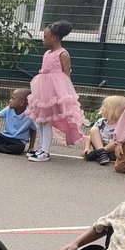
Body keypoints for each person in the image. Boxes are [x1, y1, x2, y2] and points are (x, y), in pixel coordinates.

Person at [25, 20, 85, 162]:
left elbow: (66, 76)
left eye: (45, 36)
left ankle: (45, 151)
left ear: (54, 38)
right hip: (43, 90)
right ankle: (41, 148)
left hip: (55, 92)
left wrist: (63, 95)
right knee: (40, 120)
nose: (43, 39)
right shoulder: (47, 53)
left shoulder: (63, 54)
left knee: (47, 121)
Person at [82, 94, 125, 165]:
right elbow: (90, 136)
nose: (102, 108)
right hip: (100, 145)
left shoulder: (122, 124)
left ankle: (99, 153)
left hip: (114, 151)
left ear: (114, 110)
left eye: (105, 106)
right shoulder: (101, 121)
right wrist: (87, 148)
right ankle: (101, 153)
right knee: (93, 130)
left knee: (119, 139)